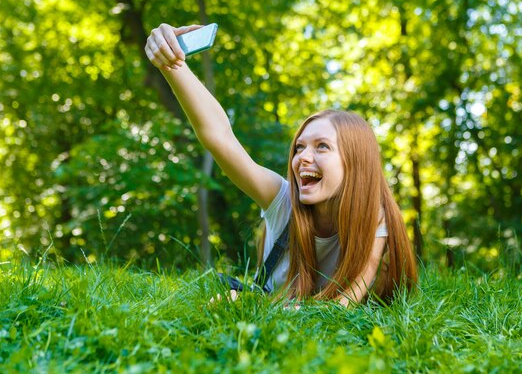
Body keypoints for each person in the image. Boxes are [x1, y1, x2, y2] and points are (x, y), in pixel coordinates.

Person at [145, 23, 418, 306]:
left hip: (288, 311)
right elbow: (220, 138)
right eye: (300, 147)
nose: (303, 157)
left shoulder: (375, 216)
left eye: (321, 146)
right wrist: (173, 65)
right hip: (272, 303)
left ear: (356, 163)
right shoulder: (282, 198)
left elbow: (343, 306)